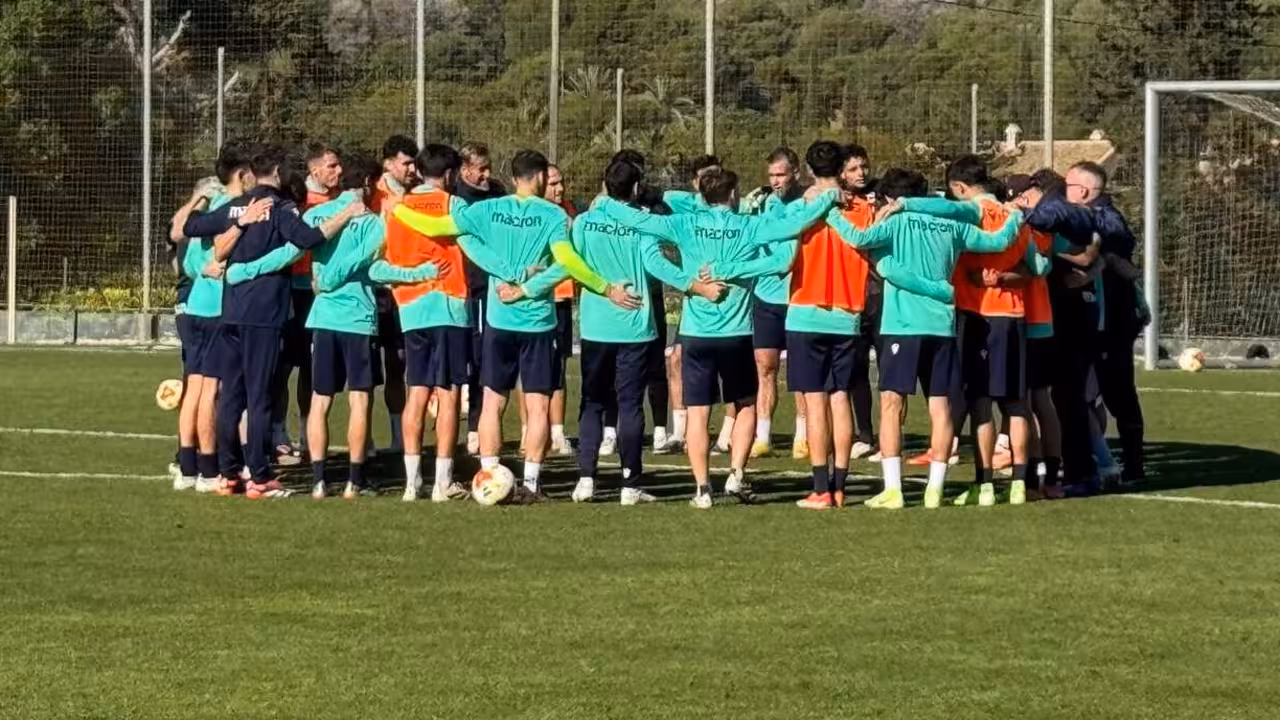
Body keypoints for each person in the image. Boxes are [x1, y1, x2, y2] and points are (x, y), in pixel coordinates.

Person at [393, 149, 639, 502]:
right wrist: (596, 288)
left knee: (493, 400)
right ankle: (531, 484)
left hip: (498, 318)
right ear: (539, 177)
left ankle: (489, 475)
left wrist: (400, 209)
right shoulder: (553, 215)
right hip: (537, 321)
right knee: (538, 404)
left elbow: (442, 230)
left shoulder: (489, 209)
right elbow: (567, 262)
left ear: (512, 178)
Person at [603, 166, 838, 509]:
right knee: (745, 406)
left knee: (698, 414)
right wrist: (829, 196)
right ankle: (737, 473)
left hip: (696, 334)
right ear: (732, 195)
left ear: (701, 195)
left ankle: (702, 489)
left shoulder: (683, 224)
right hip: (738, 333)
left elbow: (637, 224)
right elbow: (789, 234)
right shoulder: (748, 225)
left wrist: (609, 204)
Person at [825, 168, 1025, 510]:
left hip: (903, 325)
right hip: (942, 327)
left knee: (892, 404)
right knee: (940, 406)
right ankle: (935, 488)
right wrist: (1016, 219)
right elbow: (997, 242)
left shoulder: (896, 223)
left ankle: (893, 490)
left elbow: (858, 239)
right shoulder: (952, 226)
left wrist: (831, 215)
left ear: (893, 199)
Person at [183, 145, 364, 498]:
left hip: (231, 310)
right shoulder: (280, 208)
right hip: (264, 314)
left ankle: (227, 473)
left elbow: (192, 226)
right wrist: (344, 215)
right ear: (279, 174)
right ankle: (261, 477)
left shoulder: (238, 205)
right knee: (261, 394)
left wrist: (237, 221)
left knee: (232, 394)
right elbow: (309, 239)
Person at [566, 158, 724, 504]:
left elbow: (572, 263)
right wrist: (691, 285)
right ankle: (629, 484)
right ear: (637, 188)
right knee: (630, 405)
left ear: (606, 185)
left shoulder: (584, 222)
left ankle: (586, 479)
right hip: (635, 328)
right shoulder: (643, 223)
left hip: (594, 327)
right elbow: (655, 263)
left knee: (591, 402)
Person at [896, 156, 1043, 507]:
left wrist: (903, 203)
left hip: (977, 314)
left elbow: (939, 214)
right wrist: (1007, 275)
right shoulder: (1016, 218)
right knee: (1016, 403)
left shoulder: (967, 214)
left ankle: (986, 483)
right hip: (1014, 315)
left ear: (960, 188)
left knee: (980, 403)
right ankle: (1021, 483)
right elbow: (1039, 266)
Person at [380, 144, 473, 503]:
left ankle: (411, 482)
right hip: (448, 306)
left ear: (418, 171)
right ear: (449, 175)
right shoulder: (454, 205)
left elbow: (383, 260)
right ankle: (442, 482)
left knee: (416, 392)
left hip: (412, 308)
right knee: (448, 394)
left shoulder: (397, 210)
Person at [781, 142, 870, 509]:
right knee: (840, 400)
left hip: (806, 310)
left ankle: (820, 487)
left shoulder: (803, 208)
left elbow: (785, 261)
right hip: (847, 313)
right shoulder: (863, 208)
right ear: (843, 168)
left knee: (815, 402)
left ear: (807, 169)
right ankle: (840, 486)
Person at [166, 143, 254, 493]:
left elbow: (185, 253)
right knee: (210, 391)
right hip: (218, 305)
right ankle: (207, 469)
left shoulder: (206, 210)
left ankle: (188, 468)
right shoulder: (232, 209)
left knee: (194, 389)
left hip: (196, 305)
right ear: (242, 174)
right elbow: (221, 250)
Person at [1066, 161, 1146, 487]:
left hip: (1111, 325)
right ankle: (1098, 462)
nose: (1062, 194)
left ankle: (1132, 466)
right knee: (1087, 396)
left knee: (1118, 395)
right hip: (1094, 322)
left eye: (1068, 187)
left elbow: (1119, 240)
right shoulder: (1086, 217)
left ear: (1083, 191)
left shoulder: (1106, 216)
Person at [271, 144, 342, 462]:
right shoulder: (296, 201)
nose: (337, 172)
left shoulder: (342, 201)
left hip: (322, 295)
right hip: (294, 291)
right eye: (331, 166)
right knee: (283, 367)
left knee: (313, 369)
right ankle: (278, 434)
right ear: (314, 170)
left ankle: (306, 432)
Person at [743, 147, 810, 460]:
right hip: (766, 297)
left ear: (795, 172)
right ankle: (763, 435)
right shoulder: (762, 203)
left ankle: (803, 435)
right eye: (771, 175)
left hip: (798, 297)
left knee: (801, 372)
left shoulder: (808, 202)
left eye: (780, 174)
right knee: (764, 367)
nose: (775, 181)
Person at [452, 142, 509, 455]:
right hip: (454, 287)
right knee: (455, 359)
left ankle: (476, 426)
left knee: (482, 358)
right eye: (481, 168)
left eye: (489, 167)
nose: (487, 174)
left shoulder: (497, 192)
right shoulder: (453, 194)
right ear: (465, 169)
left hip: (484, 287)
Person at [368, 135, 421, 454]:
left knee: (403, 362)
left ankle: (402, 437)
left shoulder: (418, 194)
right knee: (380, 364)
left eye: (415, 162)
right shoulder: (375, 194)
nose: (412, 169)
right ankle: (380, 436)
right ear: (388, 164)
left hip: (409, 287)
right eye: (406, 162)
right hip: (381, 290)